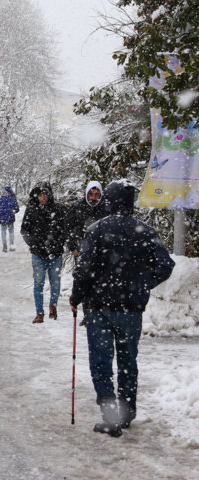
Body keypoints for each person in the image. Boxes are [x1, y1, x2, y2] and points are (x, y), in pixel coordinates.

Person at [69, 180, 174, 438]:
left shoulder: (97, 229)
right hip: (131, 308)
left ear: (109, 200)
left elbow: (83, 270)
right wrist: (143, 284)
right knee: (128, 362)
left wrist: (76, 297)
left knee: (101, 364)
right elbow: (165, 265)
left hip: (99, 307)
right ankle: (127, 414)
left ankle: (111, 416)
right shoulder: (145, 231)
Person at [20, 181, 68, 323]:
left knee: (56, 282)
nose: (43, 198)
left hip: (55, 253)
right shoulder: (31, 210)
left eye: (45, 195)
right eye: (40, 195)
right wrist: (34, 244)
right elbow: (24, 230)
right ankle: (39, 312)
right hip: (38, 254)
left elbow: (65, 228)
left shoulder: (58, 209)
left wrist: (59, 242)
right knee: (38, 284)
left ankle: (53, 306)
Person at [67, 181, 107, 258]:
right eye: (91, 194)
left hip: (101, 250)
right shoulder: (77, 206)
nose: (93, 197)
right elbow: (69, 227)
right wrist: (72, 247)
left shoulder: (105, 208)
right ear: (86, 193)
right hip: (81, 248)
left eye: (96, 194)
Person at [0, 185, 20, 252]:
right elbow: (17, 209)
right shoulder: (12, 199)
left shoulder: (0, 199)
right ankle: (11, 246)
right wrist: (12, 211)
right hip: (10, 218)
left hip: (2, 218)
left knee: (3, 231)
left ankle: (4, 246)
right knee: (11, 232)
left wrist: (1, 211)